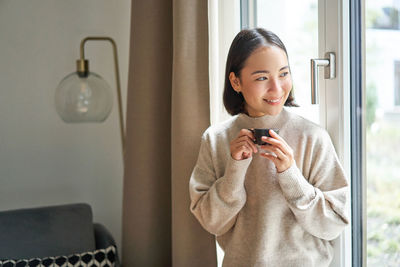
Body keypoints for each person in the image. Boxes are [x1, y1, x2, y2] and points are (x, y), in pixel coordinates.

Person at [189, 28, 349, 267]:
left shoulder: (312, 137)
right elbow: (212, 222)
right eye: (262, 78)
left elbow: (333, 225)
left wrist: (290, 175)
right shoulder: (215, 139)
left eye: (283, 74)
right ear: (236, 81)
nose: (277, 88)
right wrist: (234, 171)